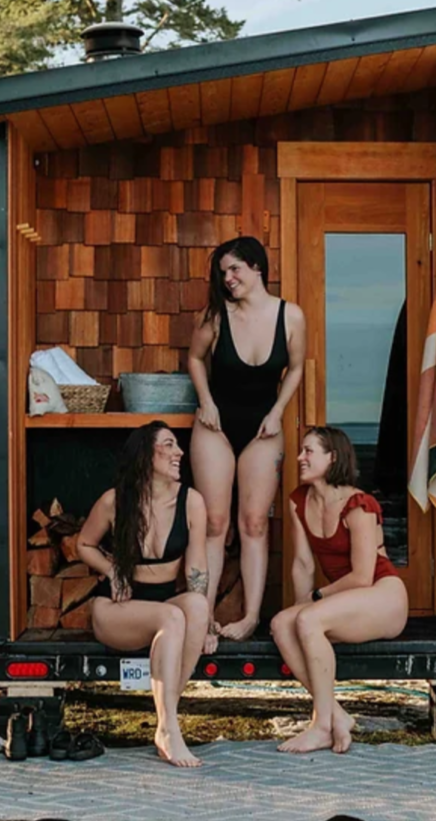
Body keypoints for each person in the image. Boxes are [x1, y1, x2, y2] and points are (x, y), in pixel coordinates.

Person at [187, 236, 305, 645]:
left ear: (257, 267)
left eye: (234, 269)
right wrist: (205, 402)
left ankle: (251, 617)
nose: (228, 278)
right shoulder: (216, 316)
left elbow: (295, 368)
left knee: (254, 523)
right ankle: (201, 619)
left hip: (263, 428)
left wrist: (278, 412)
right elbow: (195, 358)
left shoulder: (290, 316)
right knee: (215, 523)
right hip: (215, 427)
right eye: (223, 273)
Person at [76, 421, 210, 768]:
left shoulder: (192, 502)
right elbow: (84, 544)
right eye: (169, 444)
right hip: (117, 609)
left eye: (178, 445)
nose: (180, 452)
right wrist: (112, 570)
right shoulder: (114, 500)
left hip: (164, 604)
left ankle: (167, 723)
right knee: (171, 616)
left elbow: (197, 568)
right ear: (146, 454)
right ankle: (168, 729)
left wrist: (206, 624)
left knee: (194, 605)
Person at [272, 426, 409, 754]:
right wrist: (299, 607)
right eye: (301, 451)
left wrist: (315, 601)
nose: (300, 458)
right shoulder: (298, 501)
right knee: (281, 624)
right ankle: (337, 715)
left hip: (382, 594)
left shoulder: (359, 504)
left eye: (309, 452)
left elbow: (362, 576)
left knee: (307, 621)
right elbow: (303, 565)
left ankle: (321, 725)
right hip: (343, 598)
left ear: (332, 458)